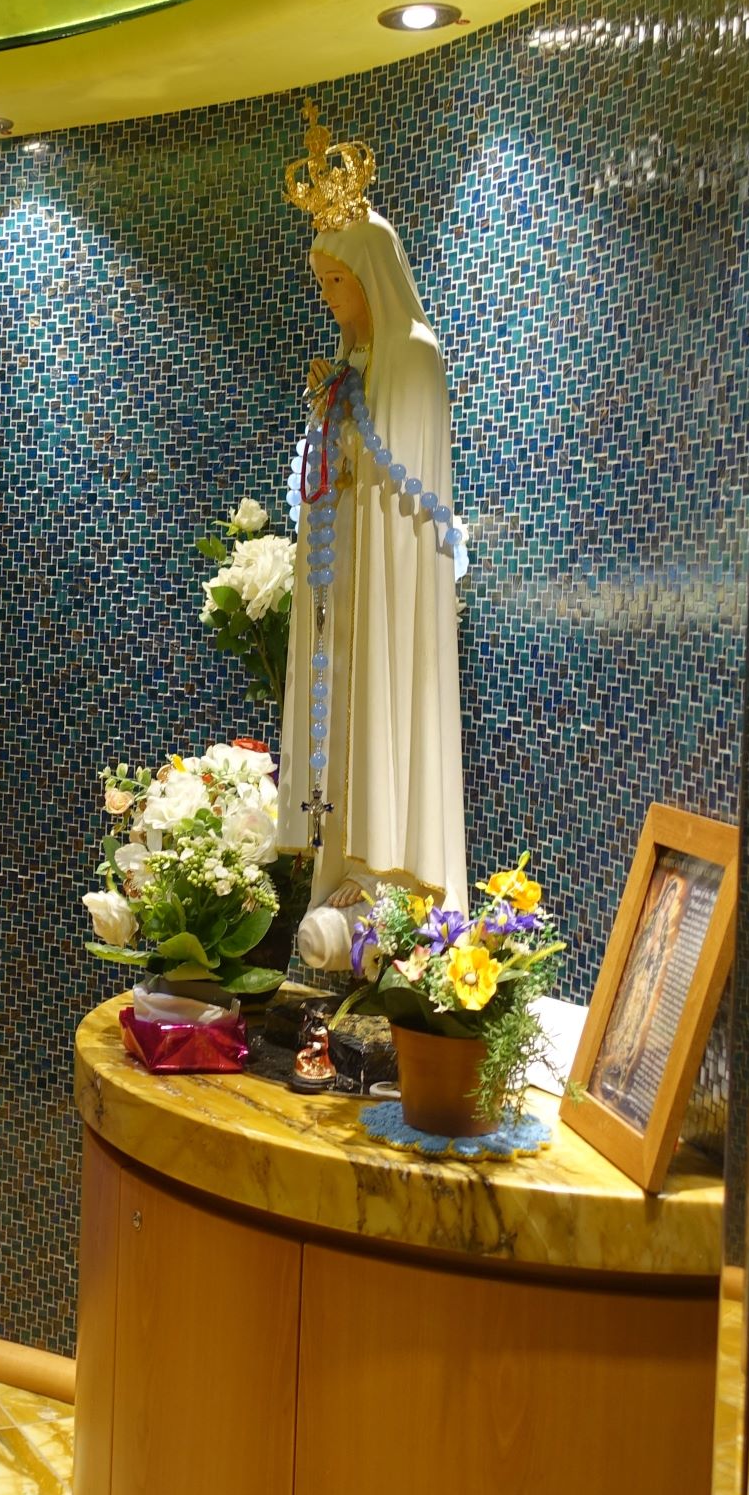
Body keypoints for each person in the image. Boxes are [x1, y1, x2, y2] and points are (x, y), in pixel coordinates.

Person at [276, 110, 468, 965]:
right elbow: (332, 474)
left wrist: (342, 410)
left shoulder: (413, 357)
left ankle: (397, 874)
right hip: (350, 579)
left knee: (388, 704)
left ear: (372, 278)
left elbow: (398, 479)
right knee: (347, 714)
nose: (329, 300)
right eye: (322, 285)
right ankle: (349, 868)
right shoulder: (355, 366)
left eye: (337, 283)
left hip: (392, 581)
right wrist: (329, 405)